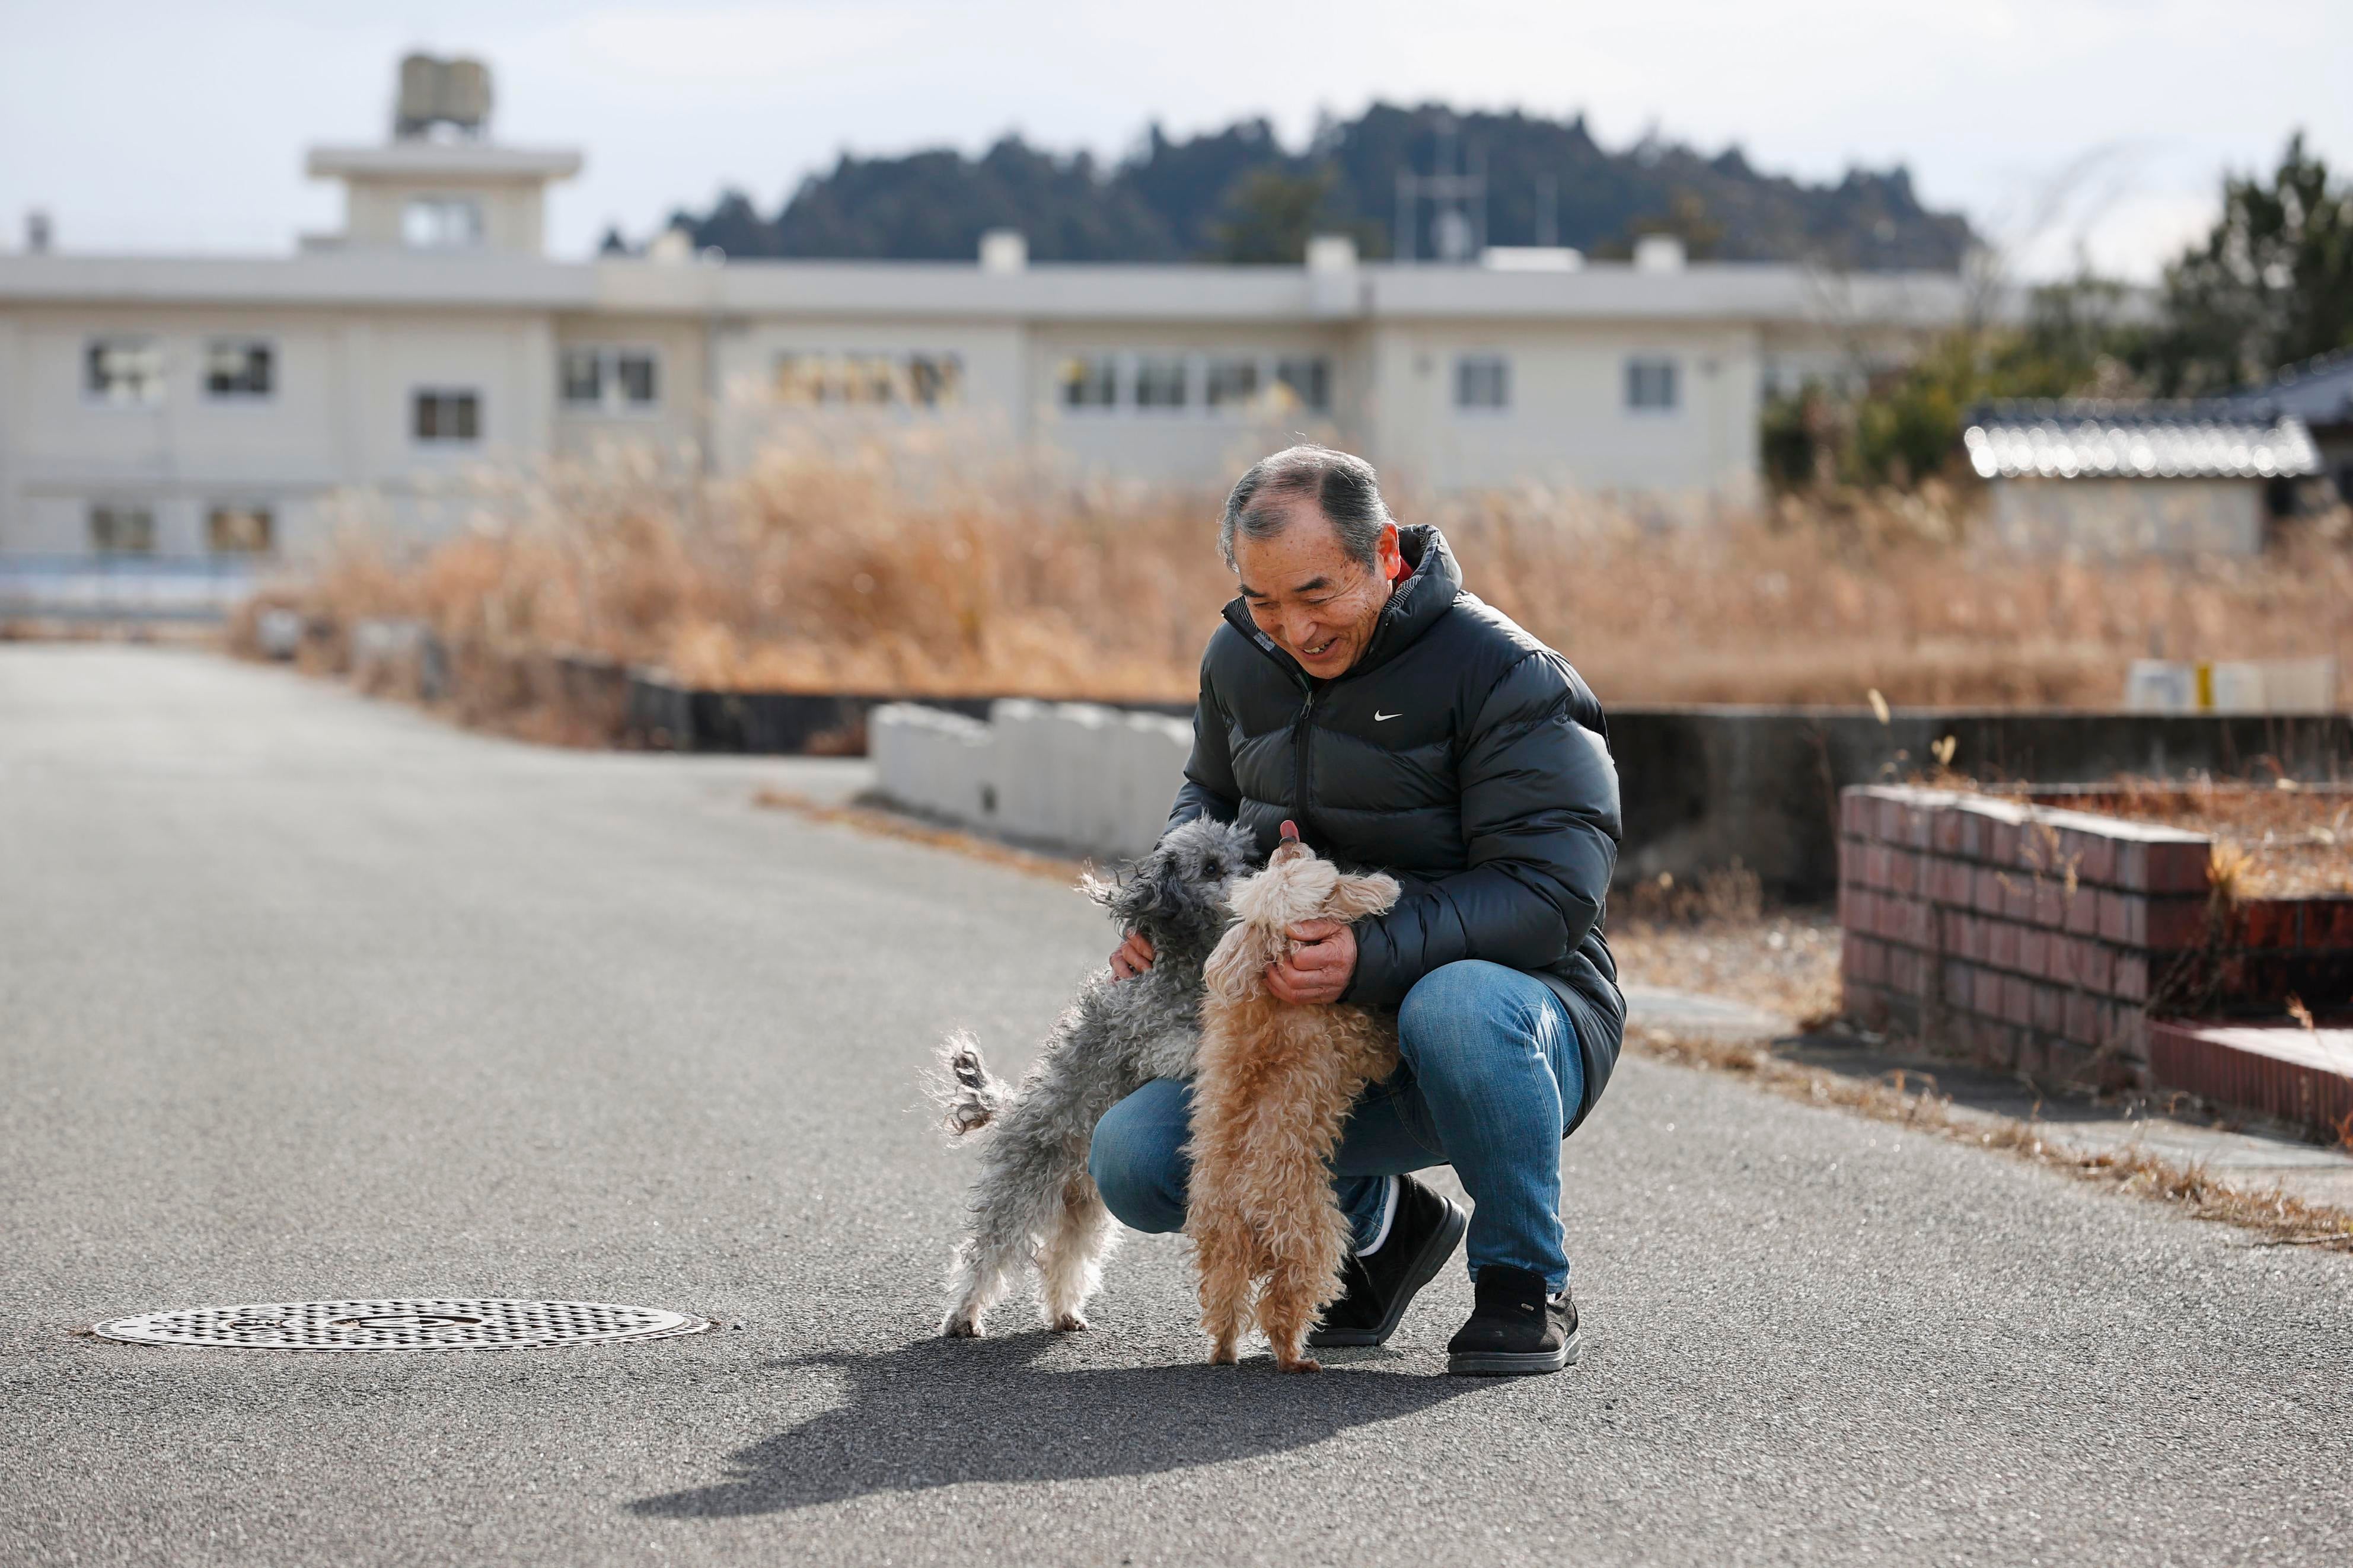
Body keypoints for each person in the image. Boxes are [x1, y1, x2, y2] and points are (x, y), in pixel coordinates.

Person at [1091, 443, 1622, 1376]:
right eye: (1263, 603)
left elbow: (1553, 889)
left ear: (1383, 553)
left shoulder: (1506, 672)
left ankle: (1525, 1279)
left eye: (1314, 594)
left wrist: (1367, 950)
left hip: (1518, 1018)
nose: (1293, 629)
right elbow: (1205, 804)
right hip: (1316, 1034)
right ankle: (1385, 1227)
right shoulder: (1238, 658)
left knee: (1451, 1005)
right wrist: (1167, 913)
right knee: (1135, 1159)